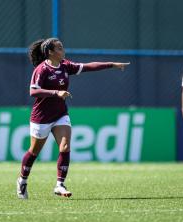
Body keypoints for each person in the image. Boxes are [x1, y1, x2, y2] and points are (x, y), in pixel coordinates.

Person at [16, 37, 130, 199]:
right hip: (41, 117)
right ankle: (22, 180)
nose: (64, 51)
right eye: (60, 48)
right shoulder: (41, 70)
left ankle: (60, 185)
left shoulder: (65, 66)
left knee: (65, 146)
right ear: (50, 52)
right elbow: (33, 92)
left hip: (60, 114)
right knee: (34, 151)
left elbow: (88, 67)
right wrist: (56, 93)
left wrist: (111, 64)